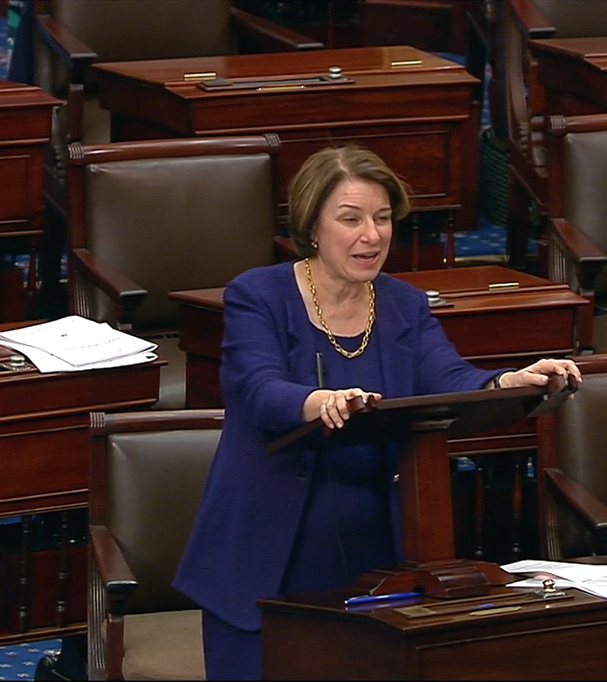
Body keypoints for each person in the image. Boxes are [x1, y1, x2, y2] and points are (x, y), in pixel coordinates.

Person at [173, 143, 581, 680]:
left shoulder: (403, 303)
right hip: (266, 553)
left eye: (383, 218)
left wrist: (507, 381)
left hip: (378, 557)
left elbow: (448, 378)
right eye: (352, 219)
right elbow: (256, 387)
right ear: (312, 226)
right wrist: (318, 401)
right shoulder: (259, 295)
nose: (372, 235)